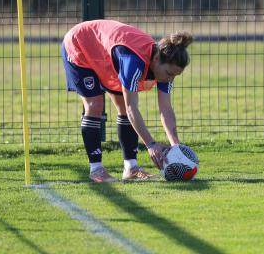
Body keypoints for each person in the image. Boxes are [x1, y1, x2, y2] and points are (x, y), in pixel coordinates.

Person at [61, 19, 193, 183]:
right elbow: (133, 109)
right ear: (157, 59)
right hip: (80, 44)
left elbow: (166, 108)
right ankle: (96, 170)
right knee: (94, 105)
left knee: (122, 107)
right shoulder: (133, 61)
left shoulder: (164, 68)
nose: (170, 78)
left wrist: (176, 146)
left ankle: (131, 168)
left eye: (175, 75)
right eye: (169, 73)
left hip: (106, 54)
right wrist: (151, 144)